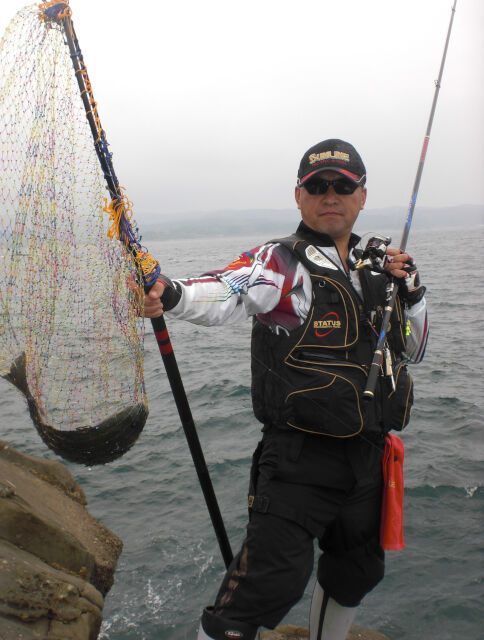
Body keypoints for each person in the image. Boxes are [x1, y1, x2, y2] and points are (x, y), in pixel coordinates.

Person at [144, 139, 429, 640]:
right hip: (299, 460)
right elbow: (230, 288)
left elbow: (414, 349)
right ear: (299, 196)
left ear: (362, 196)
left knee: (356, 572)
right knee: (264, 587)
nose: (330, 195)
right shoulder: (280, 261)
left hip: (368, 455)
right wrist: (172, 293)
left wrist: (413, 294)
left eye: (343, 186)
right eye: (316, 186)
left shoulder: (379, 271)